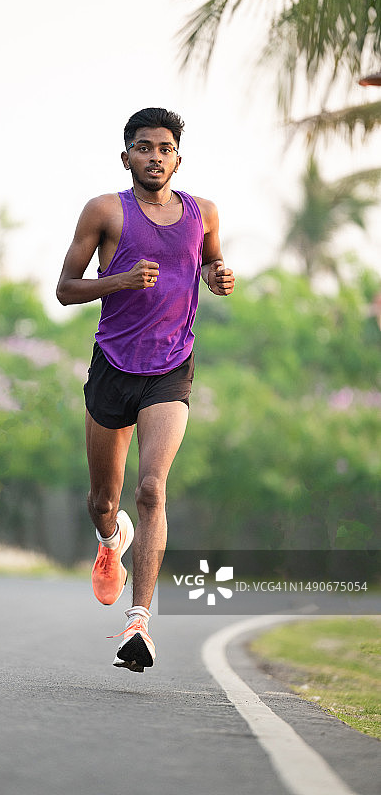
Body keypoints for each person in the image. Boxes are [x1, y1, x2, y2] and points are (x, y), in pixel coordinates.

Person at [56, 107, 235, 672]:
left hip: (171, 368)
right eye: (143, 147)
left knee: (152, 487)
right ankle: (112, 543)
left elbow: (211, 265)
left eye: (164, 148)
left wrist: (219, 277)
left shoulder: (202, 213)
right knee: (104, 502)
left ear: (177, 157)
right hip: (113, 364)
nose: (154, 156)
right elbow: (65, 289)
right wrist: (122, 280)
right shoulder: (105, 211)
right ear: (126, 155)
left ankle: (140, 623)